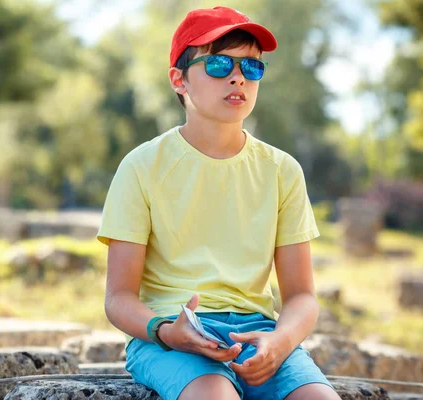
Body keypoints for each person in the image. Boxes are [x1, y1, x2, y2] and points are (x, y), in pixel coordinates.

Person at [96, 6, 340, 400]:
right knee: (214, 395)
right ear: (179, 80)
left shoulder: (282, 171)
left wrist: (279, 343)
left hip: (258, 334)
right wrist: (165, 330)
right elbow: (118, 298)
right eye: (219, 64)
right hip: (169, 338)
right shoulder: (141, 166)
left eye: (252, 67)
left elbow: (301, 297)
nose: (238, 76)